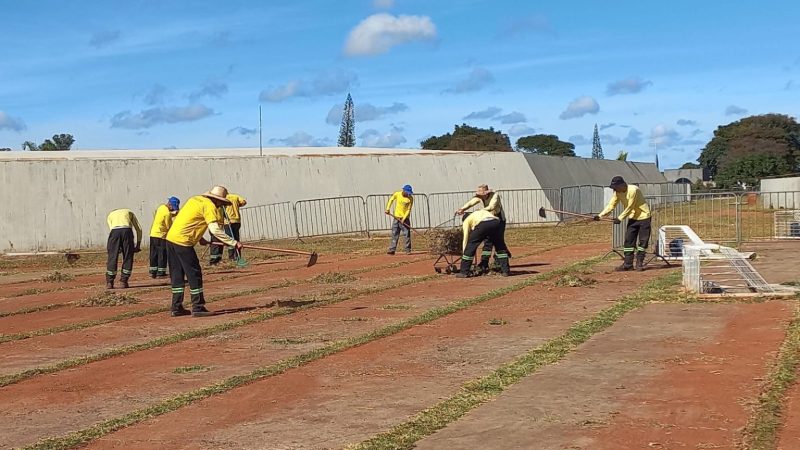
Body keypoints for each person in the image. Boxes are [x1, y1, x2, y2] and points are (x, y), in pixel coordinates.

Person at [166, 186, 243, 317]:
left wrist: (200, 238)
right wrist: (234, 242)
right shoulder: (210, 206)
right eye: (222, 203)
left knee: (177, 275)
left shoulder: (194, 200)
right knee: (194, 274)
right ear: (217, 200)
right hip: (183, 242)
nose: (221, 206)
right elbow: (215, 230)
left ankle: (176, 307)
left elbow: (188, 221)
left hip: (171, 239)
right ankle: (198, 307)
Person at [595, 176, 652, 271]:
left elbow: (630, 206)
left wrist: (620, 218)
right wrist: (600, 215)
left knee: (643, 241)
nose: (614, 189)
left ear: (622, 185)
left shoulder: (633, 190)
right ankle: (628, 264)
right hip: (633, 218)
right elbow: (611, 205)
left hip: (644, 217)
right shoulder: (617, 192)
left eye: (615, 187)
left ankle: (639, 263)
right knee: (629, 240)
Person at [456, 184, 506, 274]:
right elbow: (471, 202)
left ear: (486, 193)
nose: (479, 197)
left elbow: (492, 207)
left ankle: (498, 262)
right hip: (489, 219)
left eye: (481, 195)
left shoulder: (495, 196)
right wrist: (462, 208)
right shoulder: (479, 198)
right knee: (488, 242)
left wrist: (479, 212)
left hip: (498, 219)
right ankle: (485, 263)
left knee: (498, 242)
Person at [458, 210, 510, 278]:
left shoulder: (466, 221)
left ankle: (464, 272)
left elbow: (466, 238)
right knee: (500, 246)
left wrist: (465, 251)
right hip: (497, 223)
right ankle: (505, 271)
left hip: (483, 224)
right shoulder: (479, 212)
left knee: (471, 245)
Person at [105, 208, 143, 289]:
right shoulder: (129, 212)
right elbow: (139, 229)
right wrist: (138, 245)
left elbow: (111, 229)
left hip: (114, 232)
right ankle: (124, 281)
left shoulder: (110, 215)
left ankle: (110, 282)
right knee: (128, 256)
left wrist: (115, 248)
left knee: (112, 257)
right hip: (127, 231)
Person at [210, 192, 247, 264]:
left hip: (227, 222)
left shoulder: (222, 199)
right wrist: (237, 206)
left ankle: (231, 257)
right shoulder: (235, 196)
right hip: (236, 220)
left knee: (230, 239)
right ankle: (236, 257)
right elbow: (244, 202)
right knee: (235, 239)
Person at [148, 197, 180, 279]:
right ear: (170, 205)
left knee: (153, 254)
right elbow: (168, 226)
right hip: (161, 236)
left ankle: (152, 272)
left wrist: (173, 214)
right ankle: (161, 272)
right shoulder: (167, 214)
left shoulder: (161, 207)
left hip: (153, 234)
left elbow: (162, 215)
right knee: (162, 254)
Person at [384, 184, 414, 255]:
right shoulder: (397, 194)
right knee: (395, 233)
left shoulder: (410, 199)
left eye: (409, 193)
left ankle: (407, 250)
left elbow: (408, 209)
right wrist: (387, 209)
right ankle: (392, 249)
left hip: (405, 219)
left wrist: (404, 218)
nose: (408, 194)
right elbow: (391, 200)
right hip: (396, 218)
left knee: (406, 234)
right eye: (407, 193)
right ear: (404, 191)